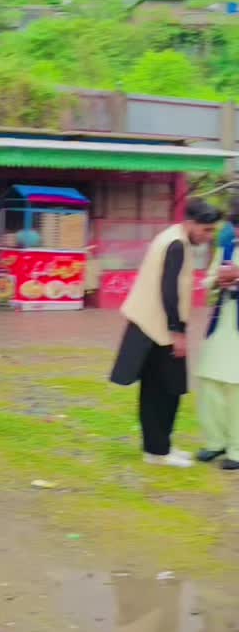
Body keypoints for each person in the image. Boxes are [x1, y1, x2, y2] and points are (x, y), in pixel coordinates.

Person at [110, 198, 220, 467]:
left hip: (153, 325)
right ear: (191, 223)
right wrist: (177, 332)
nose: (208, 236)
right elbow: (169, 291)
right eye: (206, 230)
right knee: (164, 390)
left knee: (160, 389)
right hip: (158, 329)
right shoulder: (176, 244)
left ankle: (159, 447)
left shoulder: (172, 237)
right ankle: (158, 452)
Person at [195, 209, 239, 469]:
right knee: (209, 380)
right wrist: (217, 281)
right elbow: (208, 279)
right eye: (236, 225)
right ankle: (215, 442)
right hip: (222, 322)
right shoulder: (227, 246)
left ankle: (236, 448)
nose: (237, 231)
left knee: (236, 389)